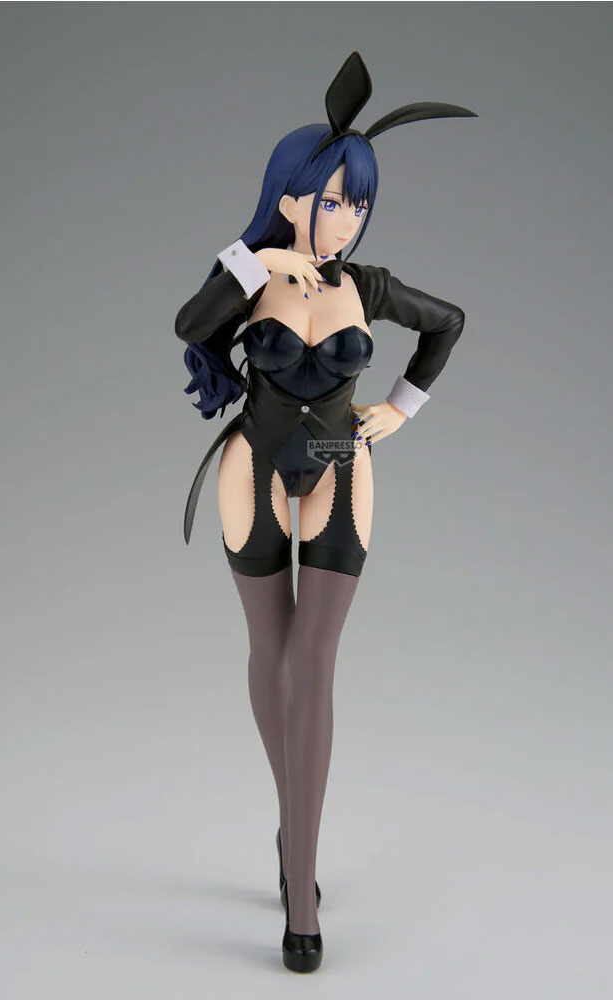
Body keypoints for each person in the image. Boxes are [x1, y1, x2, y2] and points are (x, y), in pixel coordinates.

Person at [174, 51, 475, 973]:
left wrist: (402, 407)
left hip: (343, 463)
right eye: (333, 200)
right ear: (290, 195)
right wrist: (253, 260)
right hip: (252, 465)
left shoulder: (368, 286)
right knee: (271, 653)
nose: (346, 219)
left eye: (359, 205)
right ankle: (295, 828)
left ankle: (299, 885)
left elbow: (449, 321)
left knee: (315, 662)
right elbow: (189, 325)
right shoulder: (254, 274)